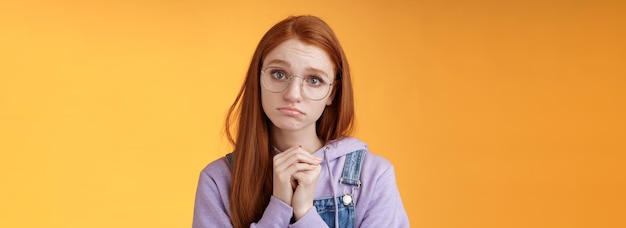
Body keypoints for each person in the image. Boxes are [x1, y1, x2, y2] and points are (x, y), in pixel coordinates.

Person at [192, 15, 409, 228]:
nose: (293, 94)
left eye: (314, 80)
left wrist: (305, 212)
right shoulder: (218, 181)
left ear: (332, 93)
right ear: (258, 79)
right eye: (278, 74)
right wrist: (279, 207)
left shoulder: (373, 176)